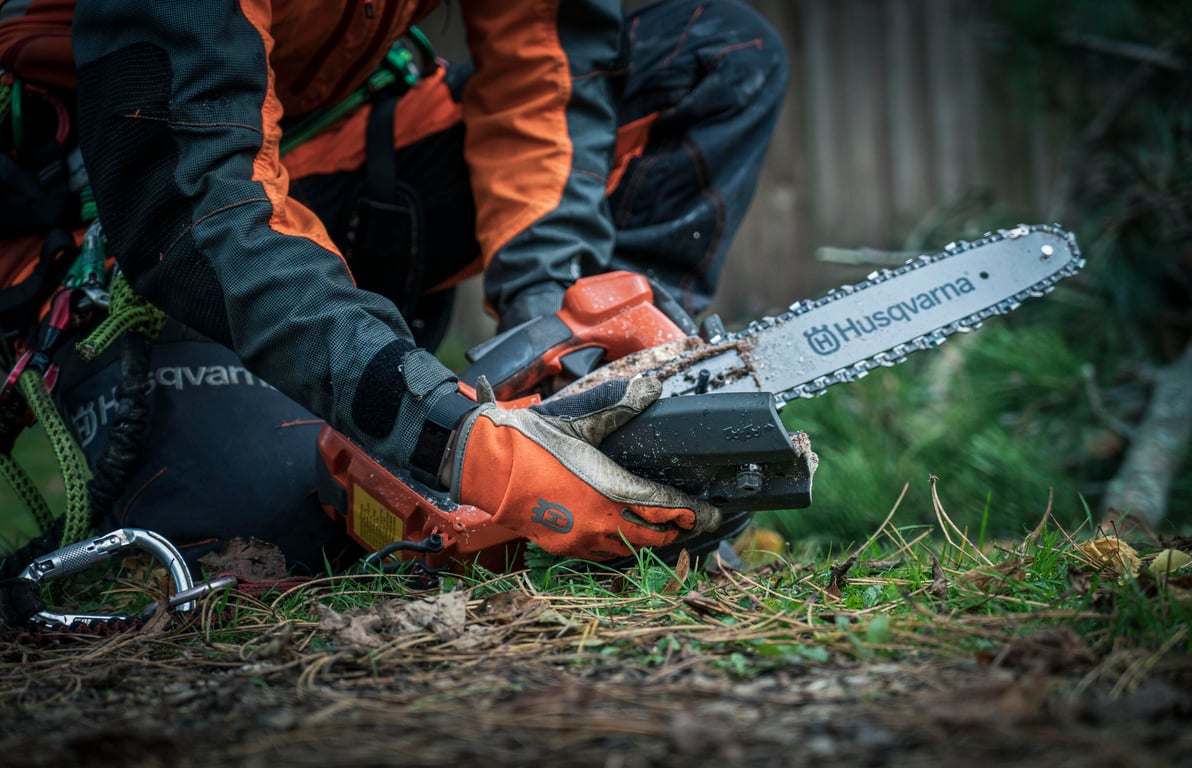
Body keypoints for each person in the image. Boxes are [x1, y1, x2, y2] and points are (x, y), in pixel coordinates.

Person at [0, 0, 788, 573]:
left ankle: (633, 463)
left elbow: (539, 75)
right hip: (123, 194)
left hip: (328, 153)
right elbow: (195, 198)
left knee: (713, 55)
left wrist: (560, 317)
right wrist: (463, 445)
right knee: (262, 539)